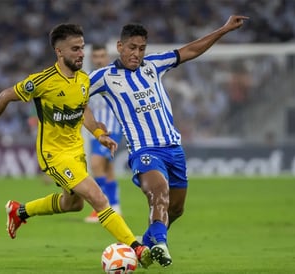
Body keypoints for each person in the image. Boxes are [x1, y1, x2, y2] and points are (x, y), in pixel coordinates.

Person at [0, 23, 152, 268]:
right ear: (59, 52)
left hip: (76, 151)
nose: (81, 54)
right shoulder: (43, 81)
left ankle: (19, 211)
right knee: (98, 198)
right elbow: (6, 95)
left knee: (73, 204)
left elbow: (83, 109)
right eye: (75, 49)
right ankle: (137, 248)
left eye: (82, 48)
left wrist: (99, 133)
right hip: (54, 155)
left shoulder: (82, 80)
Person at [89, 15, 249, 267]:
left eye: (141, 48)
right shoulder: (104, 77)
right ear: (120, 47)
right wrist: (94, 127)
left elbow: (191, 49)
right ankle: (161, 245)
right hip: (144, 149)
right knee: (158, 191)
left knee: (175, 209)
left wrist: (224, 29)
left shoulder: (154, 65)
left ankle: (150, 240)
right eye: (132, 48)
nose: (137, 54)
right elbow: (75, 94)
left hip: (173, 149)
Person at [84, 44, 123, 223]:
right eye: (96, 56)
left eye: (102, 56)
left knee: (96, 164)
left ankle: (103, 208)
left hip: (112, 129)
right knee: (107, 169)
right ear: (92, 58)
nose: (99, 59)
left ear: (107, 57)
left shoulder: (115, 76)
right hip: (96, 132)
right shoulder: (88, 79)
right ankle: (115, 206)